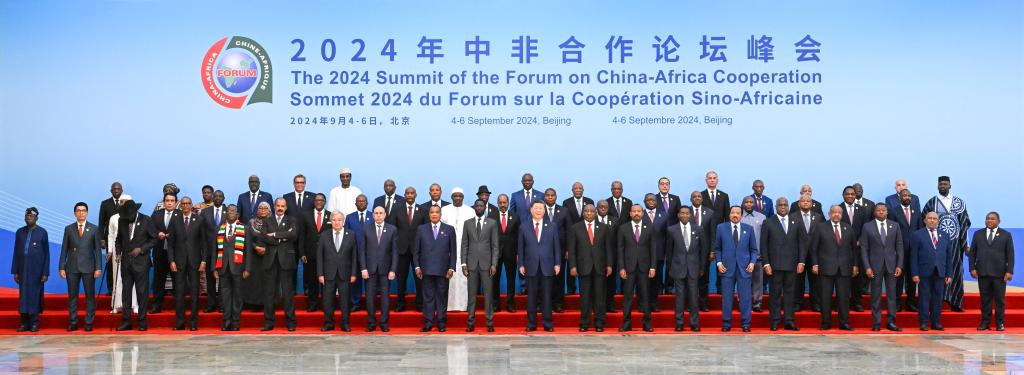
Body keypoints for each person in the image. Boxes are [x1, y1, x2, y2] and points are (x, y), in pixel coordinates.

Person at [923, 176, 971, 312]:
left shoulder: (959, 203)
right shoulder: (932, 202)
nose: (942, 186)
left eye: (945, 184)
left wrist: (966, 244)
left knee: (955, 270)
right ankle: (937, 303)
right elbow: (924, 222)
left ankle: (956, 303)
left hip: (956, 245)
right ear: (937, 186)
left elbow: (964, 225)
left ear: (950, 186)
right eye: (940, 184)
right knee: (938, 271)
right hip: (936, 245)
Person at [252, 198, 299, 331]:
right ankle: (269, 322)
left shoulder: (292, 220)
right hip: (270, 261)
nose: (279, 208)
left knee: (288, 293)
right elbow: (264, 237)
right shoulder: (267, 220)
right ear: (274, 206)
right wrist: (283, 237)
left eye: (282, 206)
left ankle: (290, 322)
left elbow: (294, 234)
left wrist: (275, 234)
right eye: (277, 205)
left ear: (286, 207)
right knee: (269, 293)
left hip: (286, 261)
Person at [810, 205, 859, 331]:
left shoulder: (848, 228)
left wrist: (855, 265)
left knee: (843, 298)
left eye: (839, 212)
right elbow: (813, 248)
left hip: (845, 268)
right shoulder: (821, 227)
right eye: (834, 212)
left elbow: (854, 249)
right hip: (826, 268)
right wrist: (815, 264)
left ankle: (844, 322)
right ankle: (826, 322)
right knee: (825, 297)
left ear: (842, 214)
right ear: (829, 213)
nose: (836, 214)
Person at [568, 203, 613, 332]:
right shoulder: (575, 228)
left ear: (595, 213)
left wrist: (609, 265)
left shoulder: (604, 228)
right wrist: (573, 266)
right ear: (583, 213)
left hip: (600, 267)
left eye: (591, 211)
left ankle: (599, 323)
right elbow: (572, 250)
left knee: (599, 297)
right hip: (583, 267)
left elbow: (608, 248)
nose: (588, 213)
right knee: (585, 297)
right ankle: (584, 323)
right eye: (586, 211)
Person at [760, 197, 803, 331]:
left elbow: (802, 243)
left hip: (791, 265)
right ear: (776, 207)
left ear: (789, 206)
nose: (783, 207)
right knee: (775, 294)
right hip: (775, 266)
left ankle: (789, 321)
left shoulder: (796, 221)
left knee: (790, 294)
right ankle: (775, 321)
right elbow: (763, 245)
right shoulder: (768, 222)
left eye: (785, 205)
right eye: (780, 205)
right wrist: (766, 264)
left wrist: (801, 261)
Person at [59, 202, 103, 332]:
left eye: (83, 210)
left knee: (90, 296)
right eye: (78, 210)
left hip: (89, 268)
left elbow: (98, 251)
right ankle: (73, 322)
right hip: (71, 267)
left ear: (87, 213)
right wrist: (61, 266)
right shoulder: (69, 229)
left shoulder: (94, 229)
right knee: (73, 296)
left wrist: (98, 267)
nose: (81, 213)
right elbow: (64, 249)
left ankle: (88, 322)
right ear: (74, 213)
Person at [859, 203, 903, 331]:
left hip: (891, 266)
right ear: (874, 212)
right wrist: (867, 267)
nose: (881, 212)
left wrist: (899, 265)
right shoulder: (867, 227)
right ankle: (876, 323)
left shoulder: (895, 226)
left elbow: (899, 246)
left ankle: (891, 322)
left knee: (891, 296)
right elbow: (864, 248)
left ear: (887, 212)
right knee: (876, 296)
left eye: (884, 210)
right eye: (879, 210)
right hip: (874, 266)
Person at [714, 206, 758, 332]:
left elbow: (754, 250)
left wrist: (752, 263)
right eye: (733, 212)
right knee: (727, 298)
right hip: (726, 268)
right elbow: (717, 248)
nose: (735, 215)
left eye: (737, 213)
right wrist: (719, 263)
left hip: (744, 268)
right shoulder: (721, 228)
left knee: (745, 298)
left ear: (741, 215)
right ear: (729, 214)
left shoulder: (748, 229)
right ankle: (726, 324)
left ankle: (745, 324)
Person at [413, 205, 457, 332]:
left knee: (442, 296)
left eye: (437, 212)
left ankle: (442, 323)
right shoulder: (421, 229)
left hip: (443, 270)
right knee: (428, 297)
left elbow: (453, 251)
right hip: (426, 269)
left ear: (440, 214)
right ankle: (428, 322)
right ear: (429, 214)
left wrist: (452, 267)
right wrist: (417, 266)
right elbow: (416, 251)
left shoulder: (449, 229)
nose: (434, 214)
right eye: (432, 212)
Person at [519, 200, 561, 332]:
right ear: (531, 210)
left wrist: (557, 263)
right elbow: (520, 247)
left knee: (547, 296)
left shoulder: (552, 226)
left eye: (541, 208)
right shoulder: (524, 226)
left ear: (544, 211)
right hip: (530, 266)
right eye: (536, 208)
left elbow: (556, 246)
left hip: (547, 266)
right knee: (531, 297)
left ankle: (547, 324)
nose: (538, 210)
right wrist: (521, 264)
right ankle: (531, 324)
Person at [115, 201, 156, 331]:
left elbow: (154, 239)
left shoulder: (146, 220)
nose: (128, 218)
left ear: (135, 212)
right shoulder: (122, 220)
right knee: (126, 293)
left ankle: (142, 322)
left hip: (141, 262)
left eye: (130, 216)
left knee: (142, 293)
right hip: (126, 262)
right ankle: (126, 321)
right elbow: (118, 240)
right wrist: (118, 252)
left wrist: (141, 249)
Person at [969, 212, 1014, 331]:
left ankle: (1000, 323)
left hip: (999, 274)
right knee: (985, 299)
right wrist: (972, 268)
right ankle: (985, 322)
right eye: (987, 219)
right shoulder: (978, 234)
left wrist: (1009, 271)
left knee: (999, 300)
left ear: (999, 221)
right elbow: (972, 253)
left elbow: (1010, 255)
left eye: (993, 219)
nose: (989, 221)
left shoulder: (1006, 235)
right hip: (982, 272)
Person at [169, 196, 207, 331]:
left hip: (195, 262)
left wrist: (204, 261)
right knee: (179, 293)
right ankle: (179, 323)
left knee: (194, 294)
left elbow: (204, 242)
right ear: (180, 206)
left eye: (188, 203)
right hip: (178, 262)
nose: (185, 205)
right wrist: (171, 260)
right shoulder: (175, 220)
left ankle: (193, 323)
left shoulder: (199, 220)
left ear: (191, 205)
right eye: (183, 204)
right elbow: (171, 243)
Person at [461, 199, 500, 332]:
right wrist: (463, 263)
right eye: (477, 205)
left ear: (485, 207)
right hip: (471, 264)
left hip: (487, 265)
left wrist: (494, 263)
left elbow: (495, 246)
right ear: (474, 207)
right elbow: (464, 244)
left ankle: (489, 322)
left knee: (488, 295)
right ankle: (470, 322)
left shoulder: (492, 223)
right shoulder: (467, 223)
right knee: (471, 295)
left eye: (481, 205)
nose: (479, 207)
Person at [665, 206, 706, 332]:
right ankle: (679, 323)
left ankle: (694, 323)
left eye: (687, 213)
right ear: (678, 215)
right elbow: (669, 251)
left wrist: (702, 267)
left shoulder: (698, 229)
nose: (684, 215)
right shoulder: (672, 230)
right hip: (678, 268)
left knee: (694, 296)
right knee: (680, 297)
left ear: (691, 215)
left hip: (694, 268)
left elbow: (703, 250)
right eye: (682, 213)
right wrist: (670, 268)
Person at [911, 212, 952, 331]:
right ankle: (924, 322)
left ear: (938, 221)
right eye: (930, 218)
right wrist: (915, 273)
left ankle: (936, 322)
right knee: (924, 297)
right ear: (925, 220)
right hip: (924, 272)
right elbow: (913, 256)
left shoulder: (944, 235)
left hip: (940, 272)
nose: (932, 220)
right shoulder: (917, 235)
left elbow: (948, 256)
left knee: (938, 298)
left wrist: (949, 273)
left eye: (935, 218)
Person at [618, 204, 655, 332]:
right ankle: (627, 323)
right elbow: (620, 249)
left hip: (645, 268)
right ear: (630, 213)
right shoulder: (623, 228)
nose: (636, 213)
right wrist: (621, 267)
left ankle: (647, 323)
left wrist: (653, 267)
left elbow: (653, 249)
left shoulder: (649, 227)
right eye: (634, 211)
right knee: (627, 296)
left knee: (645, 296)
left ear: (643, 213)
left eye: (639, 211)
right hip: (628, 268)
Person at [360, 207, 398, 332]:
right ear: (373, 215)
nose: (378, 215)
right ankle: (371, 323)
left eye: (381, 213)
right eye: (376, 213)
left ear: (385, 215)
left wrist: (393, 270)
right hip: (369, 270)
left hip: (386, 270)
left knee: (385, 298)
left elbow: (395, 252)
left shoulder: (392, 229)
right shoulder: (366, 228)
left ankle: (384, 323)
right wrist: (363, 268)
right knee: (370, 297)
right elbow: (362, 250)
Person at [318, 212, 358, 331]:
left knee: (345, 301)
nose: (337, 222)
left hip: (345, 273)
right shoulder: (324, 235)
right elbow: (320, 255)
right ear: (331, 221)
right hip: (328, 273)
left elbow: (354, 256)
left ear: (343, 221)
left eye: (339, 220)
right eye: (334, 220)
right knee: (328, 300)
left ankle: (345, 323)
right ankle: (328, 323)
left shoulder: (351, 235)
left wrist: (353, 273)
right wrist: (320, 274)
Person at [211, 205, 248, 331]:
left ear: (237, 214)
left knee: (237, 295)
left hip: (238, 268)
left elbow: (248, 251)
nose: (231, 213)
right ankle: (227, 321)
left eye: (233, 211)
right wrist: (214, 268)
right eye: (229, 211)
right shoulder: (219, 229)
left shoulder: (244, 228)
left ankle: (236, 322)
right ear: (225, 213)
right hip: (223, 268)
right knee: (225, 296)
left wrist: (248, 268)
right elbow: (214, 250)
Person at [12, 207, 48, 332]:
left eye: (31, 216)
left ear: (36, 218)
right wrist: (15, 271)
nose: (29, 218)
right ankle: (24, 324)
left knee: (34, 297)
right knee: (23, 297)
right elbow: (16, 252)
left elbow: (46, 254)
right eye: (27, 216)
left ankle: (34, 323)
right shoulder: (19, 232)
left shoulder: (42, 232)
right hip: (22, 271)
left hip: (37, 272)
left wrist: (45, 272)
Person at [392, 186, 427, 312]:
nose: (410, 195)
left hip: (418, 250)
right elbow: (393, 230)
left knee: (419, 279)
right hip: (401, 250)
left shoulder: (423, 210)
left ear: (416, 195)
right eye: (407, 193)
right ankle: (400, 303)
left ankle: (420, 304)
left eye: (412, 193)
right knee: (401, 279)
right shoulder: (397, 210)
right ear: (405, 195)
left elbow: (426, 231)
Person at [889, 188, 922, 312]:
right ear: (900, 198)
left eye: (909, 196)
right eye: (904, 196)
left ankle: (911, 303)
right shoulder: (893, 211)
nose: (907, 197)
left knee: (912, 279)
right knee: (898, 279)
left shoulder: (917, 212)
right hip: (899, 251)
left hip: (914, 251)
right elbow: (891, 232)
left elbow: (920, 230)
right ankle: (897, 304)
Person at [442, 188, 474, 312]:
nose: (458, 198)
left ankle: (463, 305)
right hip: (448, 249)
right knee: (449, 278)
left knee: (463, 279)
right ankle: (448, 306)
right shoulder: (444, 210)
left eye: (460, 196)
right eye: (455, 196)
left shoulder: (470, 211)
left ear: (463, 197)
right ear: (451, 197)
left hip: (465, 248)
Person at [106, 194, 138, 315]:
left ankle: (134, 305)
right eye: (121, 201)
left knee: (131, 279)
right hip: (117, 252)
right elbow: (110, 235)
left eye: (125, 201)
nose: (122, 203)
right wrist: (110, 251)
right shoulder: (114, 217)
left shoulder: (135, 216)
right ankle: (116, 305)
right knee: (117, 279)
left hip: (131, 252)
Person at [299, 193, 330, 312]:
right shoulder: (305, 215)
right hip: (310, 254)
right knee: (312, 281)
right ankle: (312, 304)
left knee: (326, 282)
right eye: (317, 200)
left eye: (321, 200)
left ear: (324, 202)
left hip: (326, 255)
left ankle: (326, 305)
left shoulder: (330, 215)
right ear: (314, 201)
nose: (319, 202)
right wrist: (302, 253)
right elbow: (302, 235)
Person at [149, 193, 179, 313]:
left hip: (176, 254)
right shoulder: (156, 214)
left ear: (176, 202)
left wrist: (174, 236)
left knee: (177, 281)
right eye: (167, 200)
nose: (169, 203)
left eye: (172, 200)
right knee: (158, 280)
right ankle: (157, 305)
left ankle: (178, 306)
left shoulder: (180, 214)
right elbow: (150, 229)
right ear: (164, 202)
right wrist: (157, 234)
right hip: (159, 252)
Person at [199, 190, 227, 313]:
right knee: (210, 279)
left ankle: (222, 304)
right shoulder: (205, 212)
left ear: (224, 198)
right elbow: (201, 232)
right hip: (209, 251)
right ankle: (211, 304)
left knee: (223, 279)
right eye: (215, 196)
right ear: (212, 197)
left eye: (220, 196)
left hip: (224, 252)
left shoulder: (230, 211)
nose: (217, 198)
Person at [840, 185, 868, 312]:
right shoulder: (838, 209)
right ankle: (842, 303)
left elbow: (866, 227)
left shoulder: (862, 209)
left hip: (858, 248)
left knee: (858, 277)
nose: (850, 196)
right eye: (847, 194)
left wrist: (861, 240)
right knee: (842, 277)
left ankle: (857, 302)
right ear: (843, 195)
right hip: (842, 249)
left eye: (852, 194)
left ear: (855, 195)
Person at [543, 188, 571, 312]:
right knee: (544, 278)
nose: (550, 197)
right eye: (548, 195)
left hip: (560, 250)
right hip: (542, 251)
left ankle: (558, 303)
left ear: (556, 196)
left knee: (559, 278)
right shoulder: (539, 210)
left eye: (552, 195)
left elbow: (569, 231)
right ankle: (545, 303)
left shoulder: (564, 211)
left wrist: (568, 250)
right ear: (544, 197)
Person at [795, 193, 824, 312]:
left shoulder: (818, 217)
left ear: (812, 204)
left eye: (808, 201)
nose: (805, 202)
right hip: (798, 254)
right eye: (803, 201)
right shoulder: (793, 217)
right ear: (799, 204)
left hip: (815, 254)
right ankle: (797, 303)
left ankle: (816, 303)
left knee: (816, 280)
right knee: (798, 280)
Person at [492, 194, 520, 313]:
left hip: (511, 253)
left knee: (511, 279)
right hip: (495, 254)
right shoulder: (491, 217)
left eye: (505, 202)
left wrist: (519, 253)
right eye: (500, 203)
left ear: (508, 203)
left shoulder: (515, 217)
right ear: (498, 203)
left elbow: (519, 236)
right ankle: (495, 305)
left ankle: (510, 304)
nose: (503, 205)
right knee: (494, 280)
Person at [344, 194, 372, 312]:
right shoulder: (349, 217)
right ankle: (355, 303)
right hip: (354, 254)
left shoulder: (373, 215)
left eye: (363, 201)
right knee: (355, 281)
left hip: (370, 255)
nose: (361, 203)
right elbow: (346, 235)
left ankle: (370, 304)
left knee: (370, 282)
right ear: (355, 203)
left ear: (367, 203)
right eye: (359, 201)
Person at [641, 193, 667, 312]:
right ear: (644, 201)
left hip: (659, 254)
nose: (651, 201)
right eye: (648, 200)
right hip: (642, 254)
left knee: (656, 281)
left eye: (653, 199)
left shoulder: (664, 215)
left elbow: (667, 236)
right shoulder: (639, 214)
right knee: (642, 281)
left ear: (657, 201)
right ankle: (643, 304)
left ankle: (654, 303)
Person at [243, 202, 271, 309]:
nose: (263, 210)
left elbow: (275, 238)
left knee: (267, 280)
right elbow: (248, 238)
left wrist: (266, 249)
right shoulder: (251, 222)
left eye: (265, 208)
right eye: (260, 208)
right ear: (257, 210)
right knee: (255, 281)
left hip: (269, 255)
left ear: (269, 210)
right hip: (254, 255)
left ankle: (267, 304)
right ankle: (254, 303)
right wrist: (255, 247)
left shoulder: (273, 222)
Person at [740, 196, 766, 312]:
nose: (749, 204)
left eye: (751, 202)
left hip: (758, 255)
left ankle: (757, 303)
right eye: (747, 202)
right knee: (743, 281)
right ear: (743, 203)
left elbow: (765, 237)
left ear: (754, 203)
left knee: (757, 281)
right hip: (742, 256)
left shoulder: (762, 217)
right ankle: (742, 303)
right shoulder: (738, 216)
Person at [690, 190, 715, 312]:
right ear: (691, 199)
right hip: (689, 252)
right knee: (690, 279)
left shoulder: (710, 212)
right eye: (694, 197)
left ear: (702, 198)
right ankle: (690, 304)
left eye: (699, 196)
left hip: (705, 252)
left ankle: (703, 303)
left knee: (704, 279)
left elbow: (712, 233)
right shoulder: (685, 212)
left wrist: (712, 250)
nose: (697, 198)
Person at [596, 199, 621, 313]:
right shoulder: (592, 219)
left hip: (611, 257)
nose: (603, 208)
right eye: (600, 206)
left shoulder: (615, 220)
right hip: (595, 257)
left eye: (605, 207)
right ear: (597, 208)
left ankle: (609, 304)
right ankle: (596, 305)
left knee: (610, 283)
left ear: (608, 208)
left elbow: (618, 240)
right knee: (597, 283)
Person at [98, 181, 123, 294]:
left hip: (124, 239)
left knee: (123, 264)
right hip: (110, 238)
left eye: (118, 189)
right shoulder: (105, 203)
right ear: (111, 191)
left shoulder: (126, 203)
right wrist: (102, 239)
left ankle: (122, 289)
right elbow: (101, 222)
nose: (116, 191)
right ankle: (111, 288)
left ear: (121, 190)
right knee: (110, 265)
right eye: (114, 189)